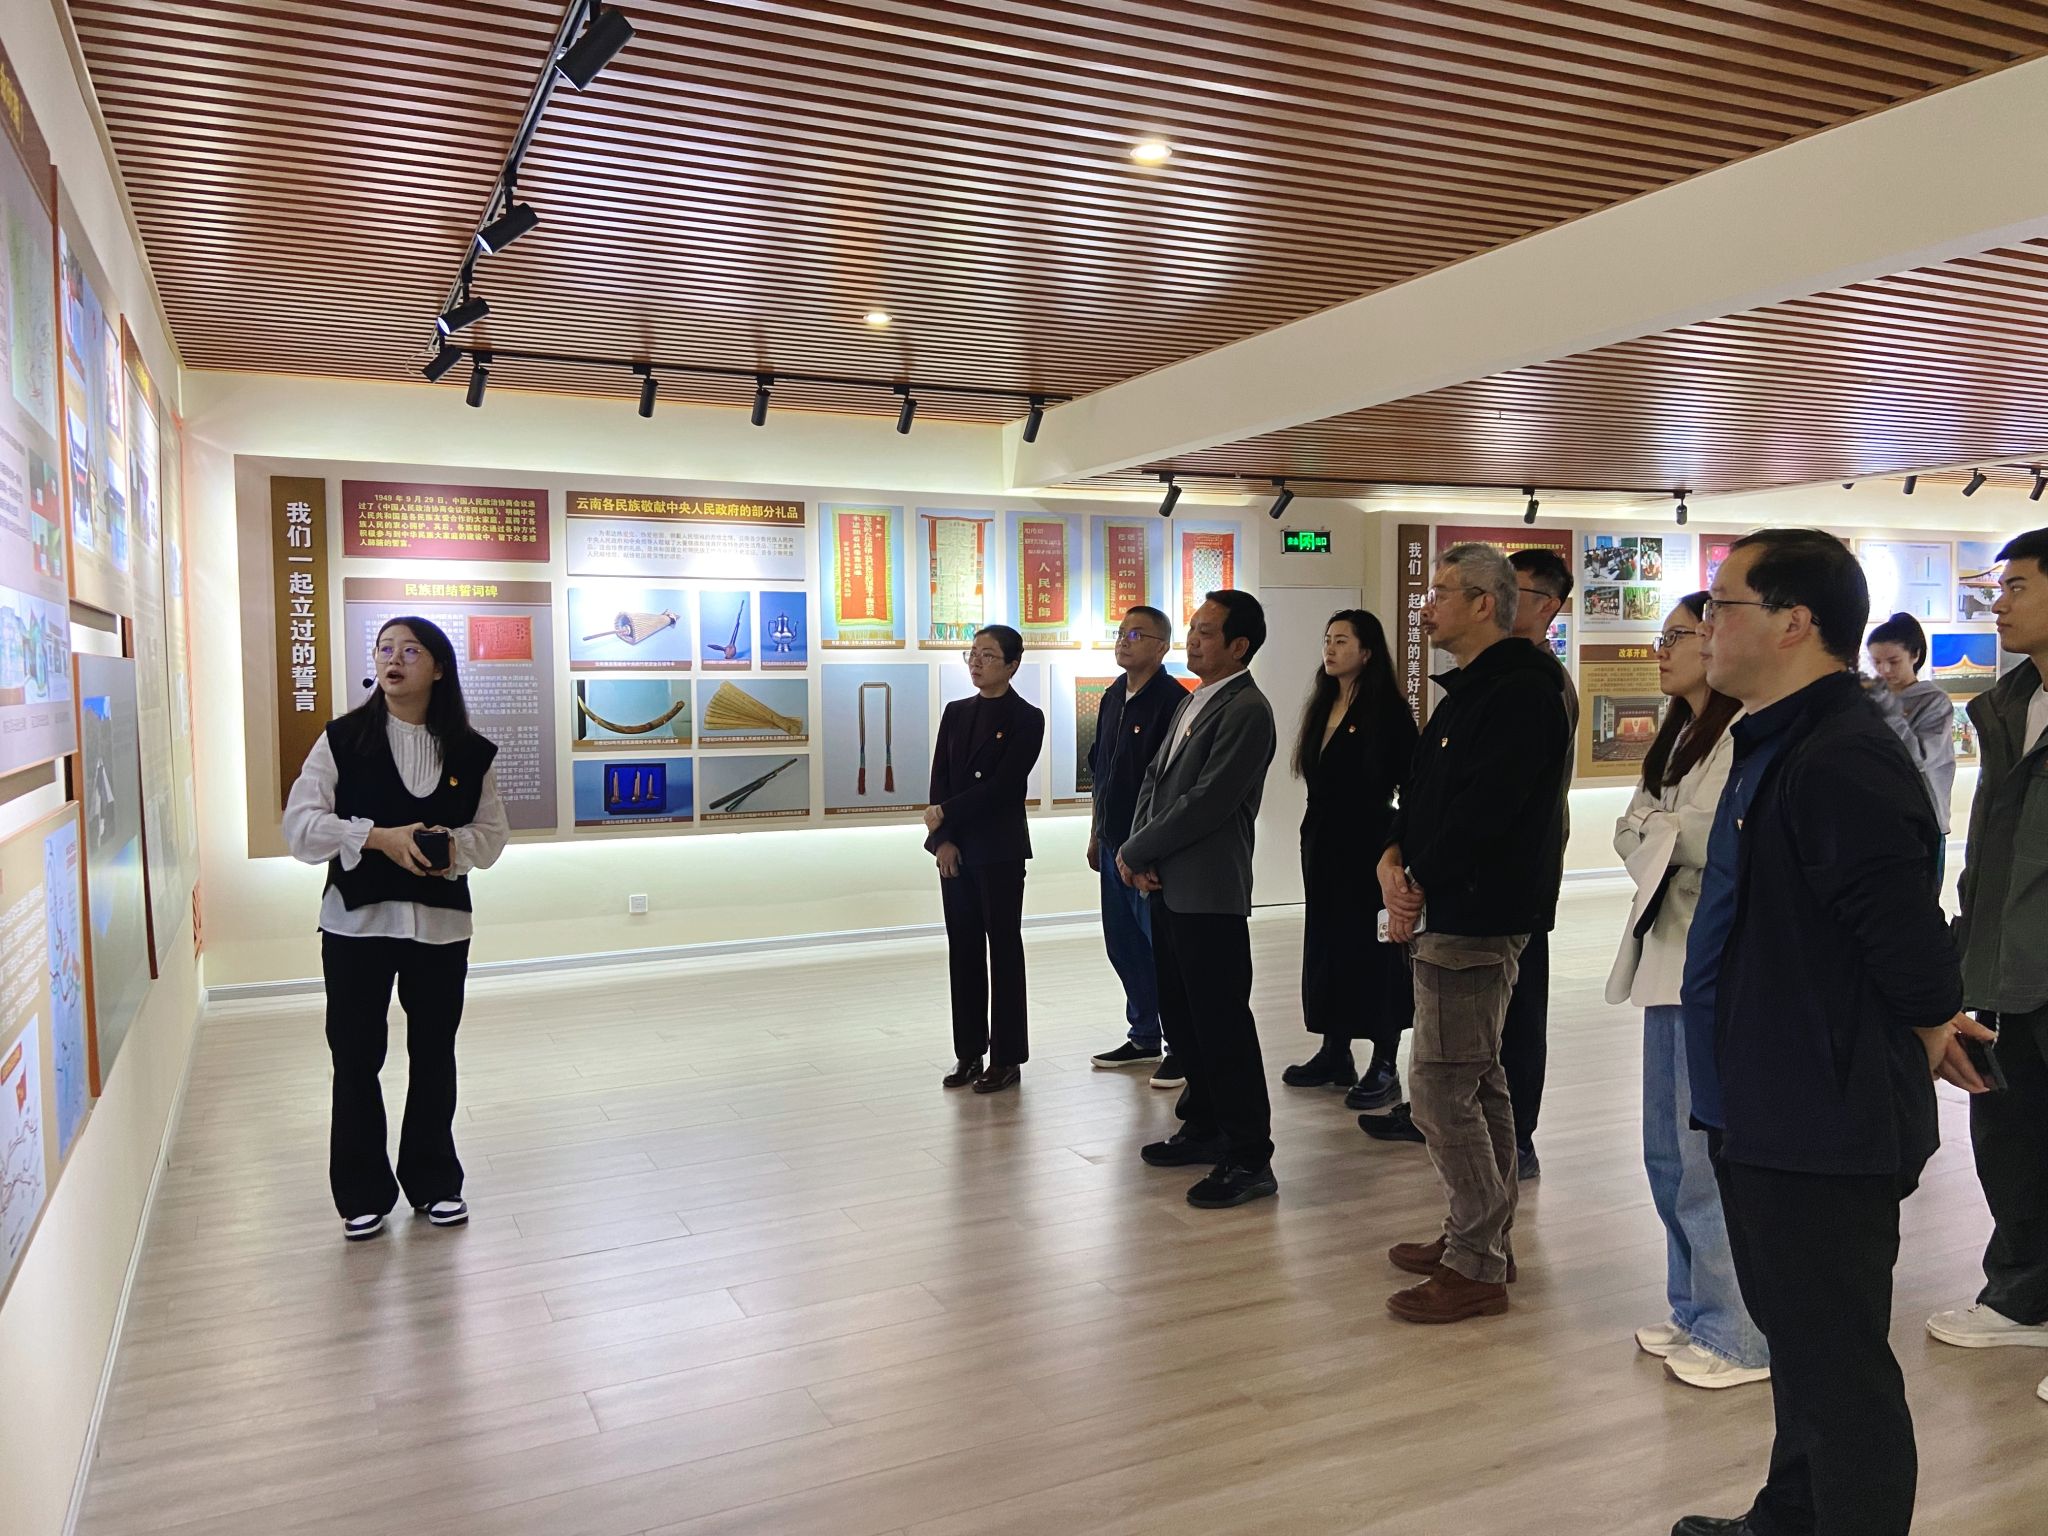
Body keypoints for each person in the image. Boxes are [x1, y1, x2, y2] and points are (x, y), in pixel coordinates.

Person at [1670, 530, 1962, 1536]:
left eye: (1723, 605)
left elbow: (1910, 948)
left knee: (1839, 1372)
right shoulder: (1779, 739)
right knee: (1801, 1347)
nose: (1707, 625)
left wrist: (1929, 1028)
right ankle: (1789, 1517)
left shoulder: (1839, 756)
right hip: (1764, 1098)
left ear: (1793, 622)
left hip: (1818, 1115)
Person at [1377, 543, 1570, 1323]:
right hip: (1454, 905)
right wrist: (1394, 853)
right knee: (1476, 1077)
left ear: (1486, 604)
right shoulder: (1473, 689)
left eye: (1443, 592)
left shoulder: (1521, 692)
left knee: (1440, 1087)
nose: (1427, 606)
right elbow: (1425, 793)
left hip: (1477, 912)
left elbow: (1486, 812)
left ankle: (1476, 1262)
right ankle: (1480, 1235)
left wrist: (1414, 879)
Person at [283, 617, 508, 1242]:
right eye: (386, 649)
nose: (395, 660)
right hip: (356, 924)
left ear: (438, 667)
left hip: (441, 926)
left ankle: (435, 1182)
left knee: (434, 1054)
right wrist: (379, 837)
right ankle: (361, 1193)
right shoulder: (342, 739)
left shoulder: (471, 751)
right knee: (356, 1056)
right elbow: (300, 827)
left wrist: (451, 847)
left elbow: (492, 836)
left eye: (410, 650)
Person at [1606, 594, 1768, 1391]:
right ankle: (1693, 1306)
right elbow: (1631, 828)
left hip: (1711, 968)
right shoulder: (1677, 736)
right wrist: (1664, 834)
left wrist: (1663, 833)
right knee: (1666, 1155)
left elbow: (1702, 837)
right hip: (1664, 960)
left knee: (1705, 1162)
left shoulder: (1743, 734)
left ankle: (1737, 1330)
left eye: (1675, 636)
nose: (1661, 651)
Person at [1925, 527, 2048, 1408]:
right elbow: (1991, 854)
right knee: (2010, 1137)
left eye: (2017, 587)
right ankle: (2022, 1295)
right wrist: (1965, 956)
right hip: (2005, 962)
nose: (1997, 604)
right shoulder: (2009, 704)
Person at [1119, 591, 1279, 1208]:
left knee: (1222, 1023)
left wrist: (1139, 849)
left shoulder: (1247, 709)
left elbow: (1207, 802)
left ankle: (1250, 1156)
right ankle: (1206, 1126)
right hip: (1168, 882)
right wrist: (1138, 851)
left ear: (1239, 646)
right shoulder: (1194, 699)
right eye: (1192, 628)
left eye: (1207, 632)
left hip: (1208, 889)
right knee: (1185, 1019)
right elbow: (1155, 781)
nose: (1193, 639)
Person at [1283, 609, 1418, 1110]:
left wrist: (1398, 847)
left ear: (1367, 651)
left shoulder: (1388, 712)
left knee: (1374, 948)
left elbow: (1412, 786)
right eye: (1327, 638)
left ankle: (1384, 1061)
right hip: (1322, 841)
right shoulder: (1323, 704)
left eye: (1342, 640)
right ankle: (1334, 1049)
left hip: (1369, 843)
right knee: (1327, 942)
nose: (1330, 648)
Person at [926, 624, 1045, 1095]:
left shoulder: (1026, 718)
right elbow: (940, 779)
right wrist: (942, 840)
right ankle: (969, 1052)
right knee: (964, 950)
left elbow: (1004, 787)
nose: (976, 662)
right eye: (972, 653)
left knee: (1004, 950)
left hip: (999, 849)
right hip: (955, 850)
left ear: (1013, 665)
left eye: (988, 655)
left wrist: (945, 814)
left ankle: (1007, 1058)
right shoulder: (956, 713)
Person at [1087, 606, 1190, 1089]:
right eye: (1120, 632)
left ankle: (1180, 1046)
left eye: (1135, 634)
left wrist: (1147, 851)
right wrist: (1095, 832)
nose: (1123, 641)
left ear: (1161, 647)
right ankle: (1143, 1034)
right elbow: (1101, 772)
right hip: (1112, 843)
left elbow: (1169, 786)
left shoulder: (1173, 702)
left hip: (1146, 851)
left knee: (1162, 949)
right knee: (1123, 944)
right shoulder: (1113, 696)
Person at [1502, 546, 1579, 1180]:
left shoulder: (1543, 684)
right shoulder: (1501, 673)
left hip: (1522, 873)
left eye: (1515, 592)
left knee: (1521, 1007)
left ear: (1548, 606)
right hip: (1491, 876)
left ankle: (1517, 1136)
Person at [1865, 610, 1958, 888]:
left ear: (1915, 655)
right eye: (1877, 662)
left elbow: (1919, 758)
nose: (1884, 671)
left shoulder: (1934, 702)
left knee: (1920, 898)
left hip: (1922, 820)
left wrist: (1888, 711)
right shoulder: (1870, 699)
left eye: (1893, 661)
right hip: (1879, 816)